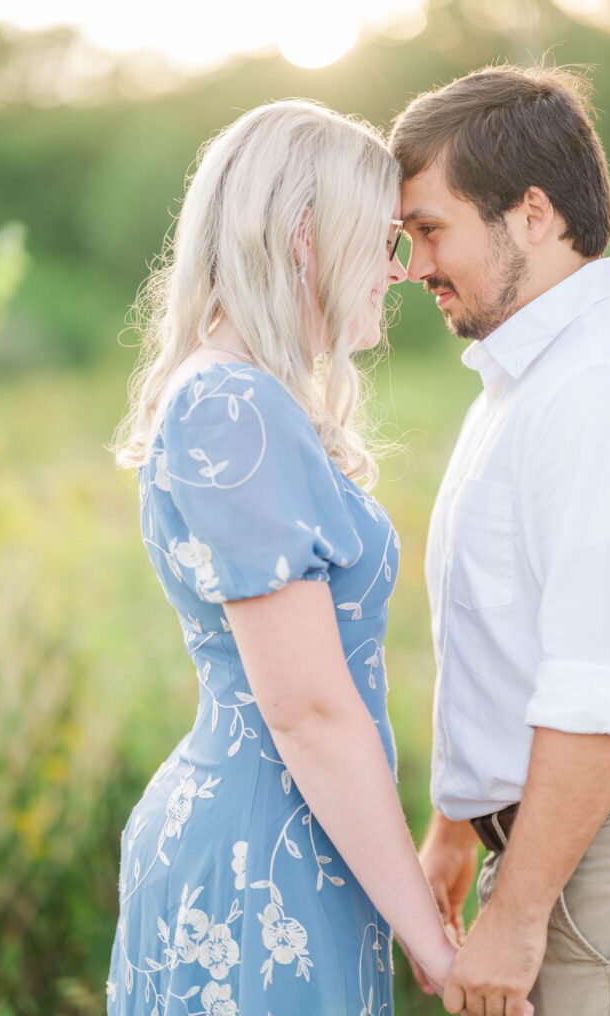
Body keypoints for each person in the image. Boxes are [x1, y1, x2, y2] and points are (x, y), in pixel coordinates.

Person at [107, 100, 457, 1016]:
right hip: (261, 857)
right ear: (306, 236)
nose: (399, 270)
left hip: (298, 841)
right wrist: (430, 939)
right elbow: (305, 708)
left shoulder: (243, 396)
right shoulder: (231, 406)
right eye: (380, 240)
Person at [390, 64, 610, 1016]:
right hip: (561, 852)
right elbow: (506, 637)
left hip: (607, 866)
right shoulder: (526, 379)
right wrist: (457, 826)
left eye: (431, 230)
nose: (414, 265)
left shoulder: (604, 389)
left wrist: (515, 919)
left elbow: (600, 687)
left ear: (534, 214)